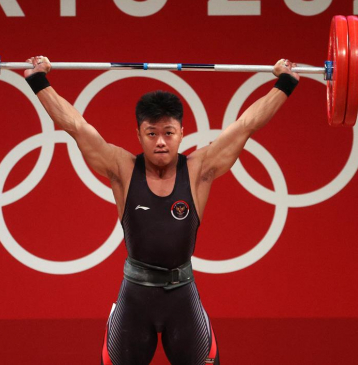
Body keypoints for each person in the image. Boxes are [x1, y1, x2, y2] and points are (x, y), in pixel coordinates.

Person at [24, 57, 299, 365]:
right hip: (135, 298)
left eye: (169, 132)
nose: (161, 142)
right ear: (138, 135)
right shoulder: (122, 168)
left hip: (182, 296)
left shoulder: (199, 170)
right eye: (151, 133)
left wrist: (285, 83)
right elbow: (75, 126)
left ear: (182, 132)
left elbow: (247, 125)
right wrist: (38, 80)